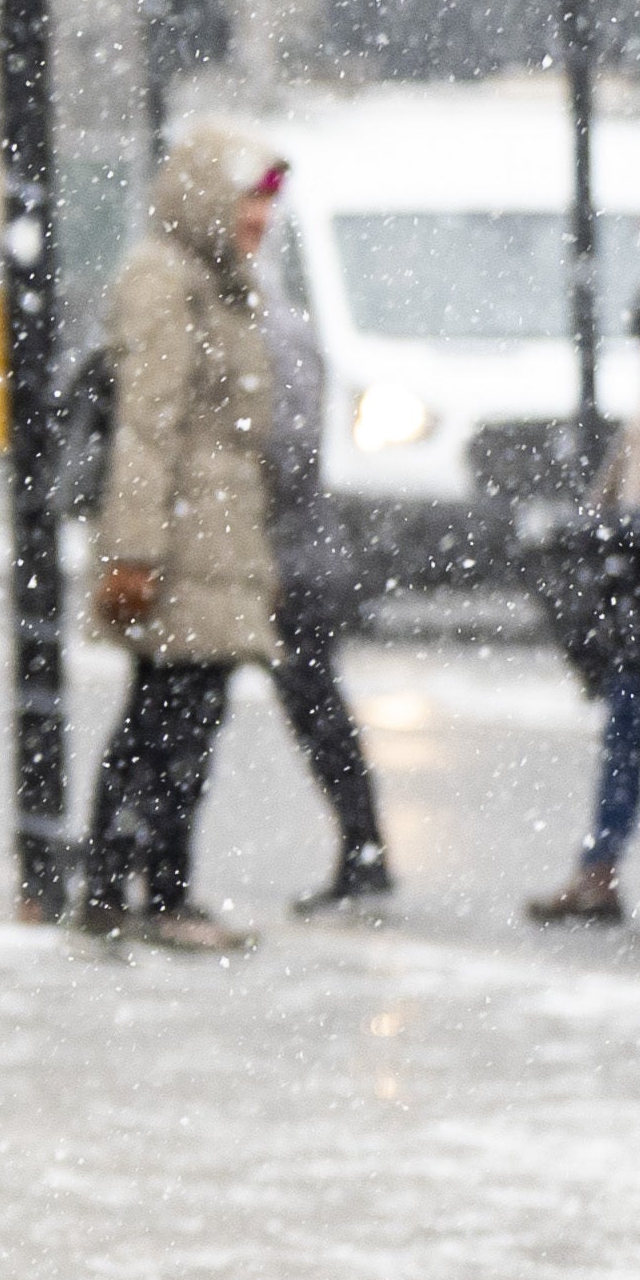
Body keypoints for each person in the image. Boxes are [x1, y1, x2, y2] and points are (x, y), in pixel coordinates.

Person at [79, 128, 283, 950]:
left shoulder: (219, 283)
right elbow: (147, 425)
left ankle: (132, 888)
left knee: (180, 719)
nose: (261, 217)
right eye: (249, 197)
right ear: (208, 195)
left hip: (216, 538)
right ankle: (147, 892)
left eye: (269, 200)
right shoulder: (169, 282)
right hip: (183, 540)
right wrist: (134, 551)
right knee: (168, 721)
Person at [535, 265, 640, 924]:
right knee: (625, 727)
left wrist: (598, 530)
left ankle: (597, 872)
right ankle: (597, 872)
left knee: (626, 728)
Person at [256, 251, 399, 917]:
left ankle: (364, 849)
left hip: (283, 560)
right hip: (288, 554)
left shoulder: (268, 330)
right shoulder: (276, 325)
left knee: (310, 706)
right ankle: (363, 848)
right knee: (312, 706)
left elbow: (287, 450)